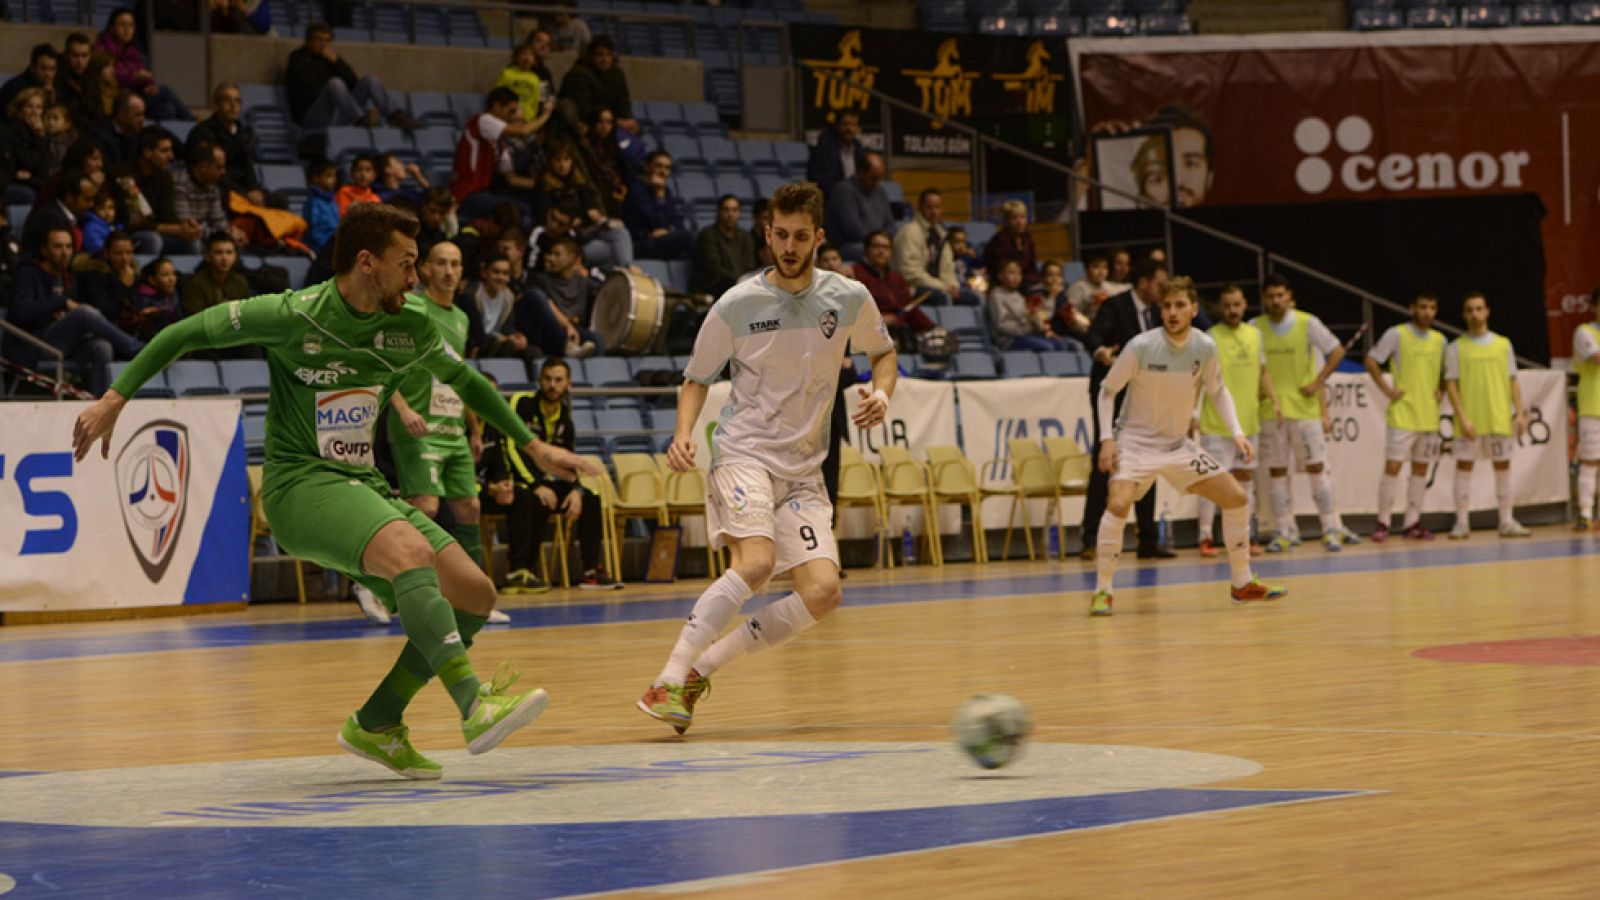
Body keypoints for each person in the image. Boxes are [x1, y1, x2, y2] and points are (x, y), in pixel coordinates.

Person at [72, 202, 598, 780]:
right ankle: (474, 705)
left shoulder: (412, 324)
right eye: (407, 263)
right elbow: (182, 332)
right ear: (368, 263)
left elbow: (466, 381)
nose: (416, 276)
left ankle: (377, 723)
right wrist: (115, 397)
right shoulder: (295, 314)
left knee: (475, 593)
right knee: (412, 553)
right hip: (300, 486)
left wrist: (533, 446)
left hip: (363, 485)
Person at [636, 180, 896, 732]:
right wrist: (684, 432)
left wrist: (881, 392)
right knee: (753, 564)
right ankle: (668, 678)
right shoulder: (736, 304)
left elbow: (884, 353)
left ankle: (701, 670)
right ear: (767, 234)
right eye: (781, 234)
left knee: (823, 593)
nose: (790, 246)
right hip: (744, 452)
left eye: (801, 236)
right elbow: (695, 378)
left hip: (804, 469)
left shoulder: (848, 297)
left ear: (818, 237)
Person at [1087, 276, 1286, 616]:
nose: (1172, 313)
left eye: (1180, 306)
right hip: (1134, 442)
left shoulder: (1204, 347)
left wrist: (1236, 431)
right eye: (1166, 306)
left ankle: (1242, 583)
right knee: (1118, 503)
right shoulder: (1141, 346)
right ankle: (1103, 591)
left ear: (1194, 309)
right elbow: (1107, 391)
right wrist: (1107, 439)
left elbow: (1218, 390)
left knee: (1236, 497)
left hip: (1177, 446)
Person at [380, 239, 499, 618]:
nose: (448, 271)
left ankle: (473, 596)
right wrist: (400, 410)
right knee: (425, 506)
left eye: (456, 264)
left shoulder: (462, 319)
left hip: (453, 429)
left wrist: (475, 429)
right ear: (426, 269)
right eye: (441, 263)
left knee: (469, 507)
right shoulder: (412, 307)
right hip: (416, 426)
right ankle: (386, 588)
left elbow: (458, 378)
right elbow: (384, 363)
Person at [487, 357, 617, 591]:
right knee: (532, 497)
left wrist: (576, 490)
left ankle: (591, 571)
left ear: (568, 383)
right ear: (539, 380)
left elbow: (568, 461)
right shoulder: (522, 403)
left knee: (590, 497)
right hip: (521, 480)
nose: (552, 385)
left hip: (548, 483)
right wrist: (536, 484)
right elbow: (511, 446)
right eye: (547, 379)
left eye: (558, 380)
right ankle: (523, 568)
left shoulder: (565, 418)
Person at [1252, 273, 1360, 553]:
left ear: (1289, 297)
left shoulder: (1307, 322)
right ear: (1264, 299)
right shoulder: (1255, 327)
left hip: (1305, 410)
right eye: (1271, 296)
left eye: (1280, 295)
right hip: (1271, 412)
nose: (1275, 301)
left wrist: (1318, 381)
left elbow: (1336, 351)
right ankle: (1285, 529)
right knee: (1276, 473)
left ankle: (1330, 527)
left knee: (1317, 469)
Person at [1080, 257, 1175, 560]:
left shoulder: (1161, 314)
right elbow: (1093, 334)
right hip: (1112, 392)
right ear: (1144, 282)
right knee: (1106, 461)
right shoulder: (1116, 306)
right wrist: (1101, 352)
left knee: (1147, 461)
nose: (1164, 291)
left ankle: (1147, 540)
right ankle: (1090, 539)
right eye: (1160, 283)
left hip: (1145, 395)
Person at [6, 226, 145, 395]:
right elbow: (20, 312)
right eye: (57, 247)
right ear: (44, 250)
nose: (65, 252)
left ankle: (98, 405)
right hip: (34, 345)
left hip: (63, 345)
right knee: (83, 313)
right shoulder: (27, 274)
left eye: (68, 246)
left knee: (102, 347)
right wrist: (61, 302)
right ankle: (136, 349)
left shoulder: (69, 276)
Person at [1193, 284, 1279, 557]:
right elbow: (1195, 379)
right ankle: (1206, 535)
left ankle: (1245, 536)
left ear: (1245, 305)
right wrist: (1192, 414)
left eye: (1237, 304)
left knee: (1245, 482)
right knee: (1212, 482)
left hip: (1248, 423)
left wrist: (1274, 400)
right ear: (1220, 307)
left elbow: (1264, 373)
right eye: (1227, 305)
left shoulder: (1255, 335)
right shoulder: (1209, 338)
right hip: (1216, 426)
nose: (1233, 310)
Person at [1444, 292, 1530, 540]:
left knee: (1503, 469)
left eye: (1479, 309)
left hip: (1499, 418)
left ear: (1487, 311)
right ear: (1464, 315)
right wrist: (1462, 418)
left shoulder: (1503, 344)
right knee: (1463, 469)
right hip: (1470, 422)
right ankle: (1461, 523)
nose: (1475, 314)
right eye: (1469, 310)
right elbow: (1451, 385)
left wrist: (1520, 413)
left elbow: (1513, 380)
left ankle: (1506, 521)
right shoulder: (1455, 348)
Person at [1364, 292, 1446, 542]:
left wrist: (1440, 387)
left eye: (1432, 307)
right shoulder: (1397, 334)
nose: (1427, 312)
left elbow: (1445, 371)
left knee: (1421, 470)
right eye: (1423, 307)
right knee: (1392, 467)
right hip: (1403, 414)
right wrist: (1387, 389)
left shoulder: (1440, 340)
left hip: (1429, 416)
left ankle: (1412, 522)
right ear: (1412, 308)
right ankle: (1383, 522)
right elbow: (1371, 360)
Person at [285, 22, 419, 131]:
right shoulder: (298, 59)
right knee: (335, 83)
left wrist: (337, 63)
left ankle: (394, 116)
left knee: (369, 80)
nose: (323, 45)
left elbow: (353, 82)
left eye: (327, 40)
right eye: (319, 40)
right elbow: (309, 92)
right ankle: (360, 120)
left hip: (341, 112)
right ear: (308, 41)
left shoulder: (331, 59)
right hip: (313, 116)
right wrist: (335, 90)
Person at [535, 141, 632, 270]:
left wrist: (585, 216)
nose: (562, 165)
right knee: (613, 250)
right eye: (558, 160)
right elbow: (552, 217)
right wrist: (583, 215)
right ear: (551, 162)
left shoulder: (579, 184)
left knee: (620, 233)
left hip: (587, 233)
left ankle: (627, 271)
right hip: (566, 241)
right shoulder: (544, 187)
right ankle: (628, 273)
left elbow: (591, 210)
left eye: (566, 160)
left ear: (572, 162)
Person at [450, 87, 540, 222]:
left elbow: (512, 179)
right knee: (515, 209)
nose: (511, 117)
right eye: (511, 111)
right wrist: (546, 115)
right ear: (497, 106)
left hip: (485, 193)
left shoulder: (500, 145)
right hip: (466, 194)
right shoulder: (482, 121)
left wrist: (542, 185)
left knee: (530, 203)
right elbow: (523, 131)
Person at [120, 126, 204, 255]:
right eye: (164, 151)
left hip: (156, 231)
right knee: (152, 240)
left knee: (192, 242)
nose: (171, 156)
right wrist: (176, 229)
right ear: (147, 152)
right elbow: (135, 222)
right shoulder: (125, 175)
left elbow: (169, 217)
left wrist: (186, 225)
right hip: (127, 235)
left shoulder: (164, 177)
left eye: (171, 150)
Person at [95, 9, 191, 121]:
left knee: (167, 109)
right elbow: (111, 77)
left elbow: (143, 75)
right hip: (117, 99)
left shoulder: (134, 52)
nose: (127, 30)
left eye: (131, 25)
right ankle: (193, 123)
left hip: (136, 96)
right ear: (111, 28)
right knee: (165, 90)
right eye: (122, 25)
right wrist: (134, 77)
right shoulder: (101, 50)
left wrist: (149, 85)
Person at [892, 187, 977, 308]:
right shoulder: (910, 232)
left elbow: (947, 269)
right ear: (920, 208)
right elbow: (910, 273)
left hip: (938, 286)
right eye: (929, 207)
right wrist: (943, 287)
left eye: (937, 207)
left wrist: (953, 286)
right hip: (912, 288)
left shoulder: (941, 234)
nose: (933, 211)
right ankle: (944, 327)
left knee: (973, 298)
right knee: (942, 297)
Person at [853, 230, 933, 345]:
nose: (881, 251)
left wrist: (932, 328)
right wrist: (878, 320)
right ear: (866, 250)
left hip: (897, 332)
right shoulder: (855, 274)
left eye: (886, 248)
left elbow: (909, 308)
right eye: (876, 246)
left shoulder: (896, 277)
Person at [188, 83, 263, 205]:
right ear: (216, 106)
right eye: (227, 100)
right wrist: (243, 193)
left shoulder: (243, 132)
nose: (233, 106)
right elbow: (210, 173)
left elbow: (248, 166)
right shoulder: (202, 132)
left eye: (238, 101)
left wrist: (254, 189)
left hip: (244, 190)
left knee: (278, 200)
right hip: (218, 189)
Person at [527, 235, 603, 356]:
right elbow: (546, 304)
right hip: (552, 333)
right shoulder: (540, 280)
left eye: (557, 255)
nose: (551, 258)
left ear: (574, 258)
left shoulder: (584, 282)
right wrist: (566, 325)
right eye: (550, 254)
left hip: (576, 332)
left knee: (597, 340)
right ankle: (567, 347)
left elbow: (608, 289)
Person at [557, 35, 637, 136]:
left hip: (610, 122)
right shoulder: (578, 74)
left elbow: (623, 102)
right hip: (584, 124)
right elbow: (584, 109)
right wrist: (615, 122)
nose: (605, 59)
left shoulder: (617, 74)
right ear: (591, 55)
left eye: (608, 55)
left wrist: (628, 120)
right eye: (600, 55)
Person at [170, 139, 241, 251]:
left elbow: (219, 222)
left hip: (203, 233)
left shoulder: (212, 186)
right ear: (203, 167)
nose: (224, 172)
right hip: (177, 236)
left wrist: (230, 233)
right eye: (219, 167)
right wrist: (223, 233)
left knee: (231, 243)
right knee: (194, 241)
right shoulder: (180, 184)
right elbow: (187, 227)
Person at [821, 150, 893, 260]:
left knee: (898, 246)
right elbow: (852, 230)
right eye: (873, 178)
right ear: (861, 172)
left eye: (879, 179)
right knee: (878, 252)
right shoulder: (844, 191)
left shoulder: (880, 191)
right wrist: (877, 242)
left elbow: (890, 223)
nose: (877, 183)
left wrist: (884, 241)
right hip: (848, 245)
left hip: (876, 242)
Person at [463, 249, 534, 358]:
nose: (501, 277)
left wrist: (517, 337)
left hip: (501, 342)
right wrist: (502, 340)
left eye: (505, 273)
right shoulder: (471, 295)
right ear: (484, 273)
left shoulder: (509, 297)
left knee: (532, 352)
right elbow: (472, 332)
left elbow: (508, 326)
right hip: (477, 343)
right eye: (496, 272)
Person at [622, 150, 693, 259]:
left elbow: (677, 221)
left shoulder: (666, 192)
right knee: (689, 238)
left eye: (667, 168)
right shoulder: (636, 190)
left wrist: (668, 230)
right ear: (646, 167)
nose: (663, 172)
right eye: (659, 166)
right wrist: (659, 195)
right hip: (639, 243)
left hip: (662, 241)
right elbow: (655, 222)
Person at [989, 258, 1068, 352]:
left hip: (1026, 335)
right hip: (1009, 340)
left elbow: (1036, 316)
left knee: (1061, 345)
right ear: (1000, 276)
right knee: (1047, 347)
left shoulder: (1019, 296)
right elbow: (1001, 325)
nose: (1016, 277)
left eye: (1019, 273)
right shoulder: (996, 295)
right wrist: (1028, 329)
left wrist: (1043, 329)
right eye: (1011, 273)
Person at [21, 169, 97, 259]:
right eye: (87, 199)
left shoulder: (81, 217)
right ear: (70, 197)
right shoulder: (49, 218)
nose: (92, 204)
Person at [691, 194, 755, 296]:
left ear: (739, 213)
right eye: (726, 210)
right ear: (719, 212)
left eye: (735, 210)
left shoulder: (745, 236)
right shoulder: (708, 235)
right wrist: (739, 280)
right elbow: (714, 269)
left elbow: (749, 266)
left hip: (739, 286)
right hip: (711, 288)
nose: (731, 214)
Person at [1, 88, 53, 207]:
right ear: (19, 109)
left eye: (39, 107)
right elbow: (26, 163)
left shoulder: (42, 133)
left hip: (31, 182)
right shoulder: (9, 130)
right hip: (9, 183)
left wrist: (39, 136)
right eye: (29, 106)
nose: (34, 111)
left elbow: (44, 169)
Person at [1575, 295, 1600, 531]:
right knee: (1590, 461)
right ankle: (1585, 513)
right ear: (1594, 306)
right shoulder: (1584, 332)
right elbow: (1597, 358)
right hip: (1593, 407)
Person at [180, 231, 251, 315]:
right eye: (218, 252)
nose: (224, 258)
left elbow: (246, 314)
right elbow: (194, 320)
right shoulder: (195, 284)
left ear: (235, 256)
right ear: (207, 256)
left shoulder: (240, 282)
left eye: (229, 252)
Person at [494, 39, 556, 133]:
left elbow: (537, 101)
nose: (527, 58)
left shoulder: (535, 78)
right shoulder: (507, 73)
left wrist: (531, 118)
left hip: (528, 121)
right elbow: (497, 95)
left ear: (534, 60)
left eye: (530, 55)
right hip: (509, 119)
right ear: (516, 58)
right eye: (524, 54)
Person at [805, 110, 867, 199]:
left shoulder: (858, 148)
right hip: (833, 199)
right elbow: (821, 181)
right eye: (845, 124)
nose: (849, 129)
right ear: (837, 126)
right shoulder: (824, 148)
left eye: (853, 125)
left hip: (855, 197)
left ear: (858, 128)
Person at [126, 255, 182, 340]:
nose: (172, 279)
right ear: (152, 279)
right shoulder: (142, 298)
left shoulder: (173, 293)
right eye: (165, 275)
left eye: (173, 274)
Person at [984, 199, 1038, 286]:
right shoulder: (999, 241)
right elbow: (999, 271)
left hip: (1026, 280)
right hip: (1006, 283)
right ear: (1006, 220)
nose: (1019, 222)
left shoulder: (1028, 238)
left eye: (1023, 217)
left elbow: (1032, 267)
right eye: (1014, 218)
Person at [55, 34, 104, 129]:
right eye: (75, 55)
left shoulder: (92, 77)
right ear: (66, 55)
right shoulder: (56, 75)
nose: (80, 61)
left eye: (84, 56)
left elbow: (99, 112)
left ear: (90, 56)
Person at [0, 44, 58, 118]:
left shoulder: (56, 87)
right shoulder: (15, 88)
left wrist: (52, 101)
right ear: (32, 67)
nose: (48, 74)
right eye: (43, 68)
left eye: (52, 69)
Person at [90, 90, 144, 169]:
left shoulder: (136, 134)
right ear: (121, 115)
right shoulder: (99, 137)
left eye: (143, 114)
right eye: (137, 115)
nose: (142, 119)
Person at [1064, 251, 1116, 324]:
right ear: (1086, 269)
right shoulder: (1078, 287)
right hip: (1086, 327)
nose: (1101, 272)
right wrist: (1091, 305)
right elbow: (1070, 314)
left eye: (1105, 267)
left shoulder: (1108, 286)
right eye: (1096, 267)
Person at [303, 158, 340, 254]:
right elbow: (313, 232)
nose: (334, 179)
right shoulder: (313, 202)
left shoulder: (332, 200)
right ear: (316, 178)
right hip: (319, 249)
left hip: (333, 247)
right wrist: (330, 247)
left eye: (334, 176)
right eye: (329, 176)